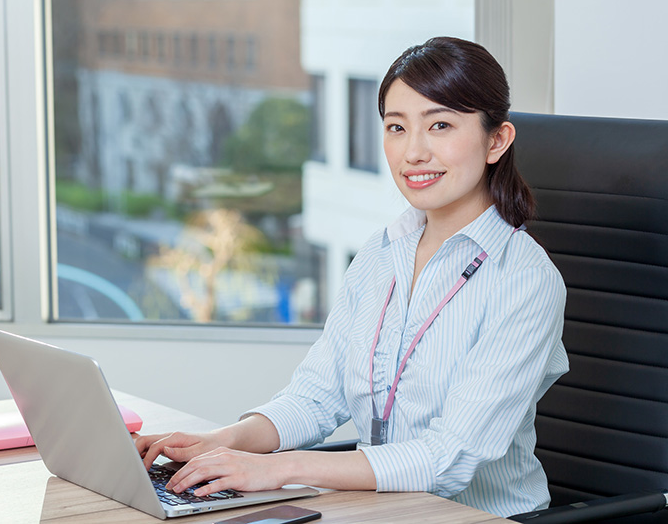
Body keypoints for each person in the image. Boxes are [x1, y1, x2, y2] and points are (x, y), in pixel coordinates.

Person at [136, 36, 569, 518]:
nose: (413, 153)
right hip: (379, 510)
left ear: (497, 141)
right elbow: (317, 397)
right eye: (396, 127)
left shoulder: (526, 280)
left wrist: (278, 469)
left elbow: (449, 458)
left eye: (440, 125)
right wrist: (219, 443)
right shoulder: (381, 254)